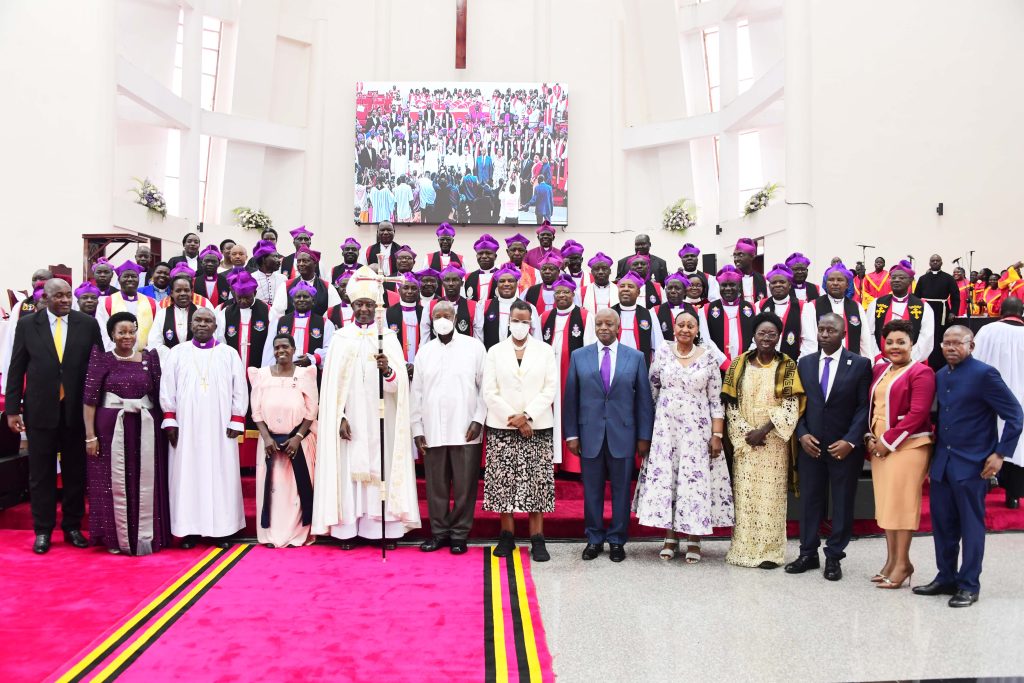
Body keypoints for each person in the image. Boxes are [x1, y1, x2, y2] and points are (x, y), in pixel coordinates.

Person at [913, 326, 1023, 607]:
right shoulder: (939, 375)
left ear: (971, 345)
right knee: (942, 525)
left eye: (957, 343)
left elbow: (1015, 415)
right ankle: (946, 576)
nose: (950, 348)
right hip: (943, 464)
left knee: (971, 526)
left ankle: (969, 584)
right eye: (945, 343)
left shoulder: (985, 375)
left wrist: (1000, 454)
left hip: (973, 465)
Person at [312, 266, 421, 548]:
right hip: (351, 422)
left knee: (381, 470)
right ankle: (348, 530)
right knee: (348, 471)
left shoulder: (389, 339)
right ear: (351, 306)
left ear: (377, 307)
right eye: (359, 304)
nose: (363, 309)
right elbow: (333, 388)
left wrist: (388, 371)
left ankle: (382, 529)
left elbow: (400, 389)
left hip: (381, 419)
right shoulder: (340, 339)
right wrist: (339, 417)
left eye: (369, 305)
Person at [5, 278, 103, 554]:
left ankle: (72, 526)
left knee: (75, 472)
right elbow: (16, 368)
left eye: (68, 295)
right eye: (58, 296)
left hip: (76, 412)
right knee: (41, 474)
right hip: (40, 411)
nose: (64, 300)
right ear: (45, 298)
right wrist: (12, 409)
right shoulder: (27, 325)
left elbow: (96, 368)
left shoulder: (87, 324)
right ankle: (43, 530)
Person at [632, 308, 730, 563]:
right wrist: (649, 430)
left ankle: (694, 538)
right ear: (673, 328)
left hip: (697, 432)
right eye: (681, 325)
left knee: (693, 482)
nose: (685, 329)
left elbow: (716, 399)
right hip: (666, 431)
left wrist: (717, 434)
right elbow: (652, 390)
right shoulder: (663, 353)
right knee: (669, 480)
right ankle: (669, 536)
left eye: (691, 326)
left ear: (697, 331)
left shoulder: (708, 356)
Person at [560, 309, 654, 563]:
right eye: (599, 323)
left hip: (623, 434)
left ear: (618, 327)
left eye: (609, 323)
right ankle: (593, 538)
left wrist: (644, 435)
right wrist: (571, 434)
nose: (603, 327)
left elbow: (644, 400)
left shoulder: (635, 358)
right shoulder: (579, 356)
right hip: (589, 434)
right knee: (592, 490)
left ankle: (616, 539)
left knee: (622, 490)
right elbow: (571, 398)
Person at [785, 313, 872, 580]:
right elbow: (796, 404)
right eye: (821, 330)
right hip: (811, 445)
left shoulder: (859, 364)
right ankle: (808, 553)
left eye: (831, 330)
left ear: (843, 333)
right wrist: (801, 435)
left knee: (842, 502)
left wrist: (850, 440)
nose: (824, 334)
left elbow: (863, 407)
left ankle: (834, 556)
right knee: (810, 500)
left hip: (843, 447)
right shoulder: (805, 364)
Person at [722, 311, 804, 569]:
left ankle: (770, 552)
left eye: (772, 334)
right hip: (745, 441)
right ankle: (743, 549)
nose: (766, 338)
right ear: (754, 335)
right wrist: (746, 432)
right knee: (746, 497)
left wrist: (764, 430)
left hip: (775, 443)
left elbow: (792, 404)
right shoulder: (739, 364)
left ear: (779, 336)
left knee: (771, 497)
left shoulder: (787, 365)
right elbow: (730, 403)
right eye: (762, 333)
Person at [160, 308, 248, 549]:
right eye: (197, 320)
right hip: (186, 426)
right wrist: (170, 419)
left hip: (220, 426)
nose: (202, 324)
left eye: (207, 321)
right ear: (190, 324)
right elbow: (167, 387)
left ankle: (221, 529)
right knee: (187, 474)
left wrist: (237, 418)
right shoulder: (177, 353)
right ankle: (189, 530)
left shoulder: (228, 354)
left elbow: (239, 387)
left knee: (220, 473)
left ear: (215, 326)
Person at [82, 311, 169, 555]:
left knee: (144, 479)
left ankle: (145, 536)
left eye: (131, 331)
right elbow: (89, 400)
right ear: (112, 334)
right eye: (122, 332)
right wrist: (90, 436)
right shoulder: (101, 359)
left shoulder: (150, 359)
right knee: (112, 481)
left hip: (145, 428)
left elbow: (159, 395)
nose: (127, 336)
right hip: (110, 429)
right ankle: (115, 537)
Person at [482, 300, 558, 562]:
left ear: (531, 324)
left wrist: (527, 416)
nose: (520, 325)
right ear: (508, 321)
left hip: (537, 426)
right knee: (504, 484)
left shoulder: (545, 351)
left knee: (536, 483)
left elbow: (550, 388)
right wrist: (514, 418)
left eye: (525, 321)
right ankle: (507, 536)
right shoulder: (494, 351)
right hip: (503, 425)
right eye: (516, 320)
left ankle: (537, 538)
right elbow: (489, 391)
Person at [864, 319, 936, 589]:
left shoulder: (921, 372)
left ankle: (903, 563)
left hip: (909, 447)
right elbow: (872, 407)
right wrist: (870, 437)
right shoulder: (881, 369)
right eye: (890, 341)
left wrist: (887, 442)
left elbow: (918, 414)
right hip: (880, 444)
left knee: (902, 504)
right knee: (886, 504)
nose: (895, 347)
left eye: (901, 342)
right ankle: (891, 561)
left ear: (912, 344)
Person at [411, 301, 487, 555]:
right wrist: (417, 428)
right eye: (437, 315)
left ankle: (459, 534)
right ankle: (439, 532)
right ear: (431, 319)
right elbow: (416, 393)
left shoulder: (473, 347)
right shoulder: (425, 351)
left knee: (465, 486)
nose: (442, 319)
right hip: (432, 429)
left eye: (446, 315)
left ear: (455, 317)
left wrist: (479, 419)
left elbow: (485, 386)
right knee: (436, 487)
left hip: (466, 428)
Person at [250, 333, 319, 548]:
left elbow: (312, 410)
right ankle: (272, 535)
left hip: (298, 441)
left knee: (295, 490)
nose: (281, 351)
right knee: (273, 488)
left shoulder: (305, 373)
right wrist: (267, 437)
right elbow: (256, 411)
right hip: (270, 442)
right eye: (277, 347)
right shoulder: (261, 375)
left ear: (294, 348)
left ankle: (297, 533)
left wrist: (298, 437)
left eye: (285, 347)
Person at [974, 297, 1024, 508]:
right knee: (1019, 443)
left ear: (1001, 311)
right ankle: (1013, 494)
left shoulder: (987, 330)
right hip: (1020, 395)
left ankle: (986, 484)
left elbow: (974, 360)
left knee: (991, 436)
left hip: (992, 396)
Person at [538, 276, 589, 473]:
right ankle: (551, 464)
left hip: (571, 372)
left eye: (565, 292)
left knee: (570, 410)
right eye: (558, 292)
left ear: (573, 294)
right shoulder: (544, 317)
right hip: (549, 373)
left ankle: (572, 464)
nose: (561, 295)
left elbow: (589, 346)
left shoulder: (584, 316)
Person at [583, 271, 663, 367]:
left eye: (630, 286)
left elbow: (658, 347)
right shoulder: (608, 314)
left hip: (641, 367)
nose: (625, 289)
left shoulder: (649, 315)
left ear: (638, 292)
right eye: (622, 286)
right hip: (613, 368)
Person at [864, 260, 934, 365]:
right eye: (893, 278)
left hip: (911, 363)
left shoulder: (923, 306)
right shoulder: (877, 303)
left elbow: (926, 338)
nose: (896, 280)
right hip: (880, 362)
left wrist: (908, 359)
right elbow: (869, 333)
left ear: (910, 281)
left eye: (901, 278)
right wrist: (877, 357)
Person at [801, 262, 874, 357]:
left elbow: (865, 340)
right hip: (823, 364)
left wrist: (868, 363)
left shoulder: (856, 307)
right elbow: (809, 342)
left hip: (851, 364)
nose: (835, 283)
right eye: (831, 280)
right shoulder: (812, 306)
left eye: (840, 280)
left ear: (847, 284)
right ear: (826, 283)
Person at [474, 265, 540, 350]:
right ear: (497, 284)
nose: (506, 284)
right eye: (502, 281)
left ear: (517, 283)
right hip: (492, 358)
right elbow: (478, 335)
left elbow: (536, 336)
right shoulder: (483, 306)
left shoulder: (529, 308)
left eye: (510, 281)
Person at [96, 260, 157, 352]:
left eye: (133, 276)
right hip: (116, 356)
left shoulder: (152, 303)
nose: (130, 279)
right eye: (126, 276)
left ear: (138, 279)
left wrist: (149, 351)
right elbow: (103, 332)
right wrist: (114, 352)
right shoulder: (106, 302)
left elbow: (156, 332)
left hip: (145, 356)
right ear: (119, 279)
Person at [704, 266, 756, 371]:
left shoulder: (753, 308)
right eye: (724, 285)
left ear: (739, 287)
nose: (728, 288)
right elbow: (706, 340)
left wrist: (744, 361)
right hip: (717, 367)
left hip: (746, 367)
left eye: (732, 285)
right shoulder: (707, 309)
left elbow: (757, 338)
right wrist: (725, 363)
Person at [759, 263, 814, 361]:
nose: (778, 285)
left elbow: (809, 343)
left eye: (782, 282)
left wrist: (797, 366)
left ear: (789, 285)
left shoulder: (804, 307)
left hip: (793, 366)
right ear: (769, 286)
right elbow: (756, 339)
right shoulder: (760, 305)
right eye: (774, 282)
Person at [914, 254, 961, 369]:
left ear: (941, 263)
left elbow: (956, 297)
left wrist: (953, 312)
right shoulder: (923, 278)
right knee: (926, 336)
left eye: (937, 261)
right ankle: (925, 361)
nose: (935, 262)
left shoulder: (948, 278)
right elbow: (916, 297)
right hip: (926, 311)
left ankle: (941, 364)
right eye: (933, 261)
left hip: (942, 312)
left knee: (940, 337)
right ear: (929, 263)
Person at [272, 247, 340, 317]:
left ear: (315, 264)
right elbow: (277, 313)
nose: (301, 264)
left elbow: (335, 312)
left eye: (305, 261)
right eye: (298, 261)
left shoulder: (327, 287)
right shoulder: (286, 286)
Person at [385, 273, 422, 368]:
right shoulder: (388, 313)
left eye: (414, 288)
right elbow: (387, 343)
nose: (410, 291)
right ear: (399, 290)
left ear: (418, 291)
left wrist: (416, 364)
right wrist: (403, 363)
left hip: (420, 365)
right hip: (396, 364)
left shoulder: (424, 312)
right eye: (406, 288)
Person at [524, 251, 564, 318]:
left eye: (551, 269)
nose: (547, 272)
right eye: (544, 269)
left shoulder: (566, 291)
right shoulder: (530, 291)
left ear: (558, 272)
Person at [464, 234, 500, 302]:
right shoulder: (467, 277)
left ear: (495, 256)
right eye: (480, 253)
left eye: (488, 253)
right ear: (476, 256)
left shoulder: (503, 276)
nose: (484, 256)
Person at [251, 240, 286, 307]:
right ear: (264, 259)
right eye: (275, 257)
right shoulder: (251, 278)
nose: (279, 260)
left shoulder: (283, 278)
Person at [732, 238, 767, 303]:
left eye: (741, 255)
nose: (736, 259)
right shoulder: (730, 279)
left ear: (752, 256)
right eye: (735, 256)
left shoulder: (762, 279)